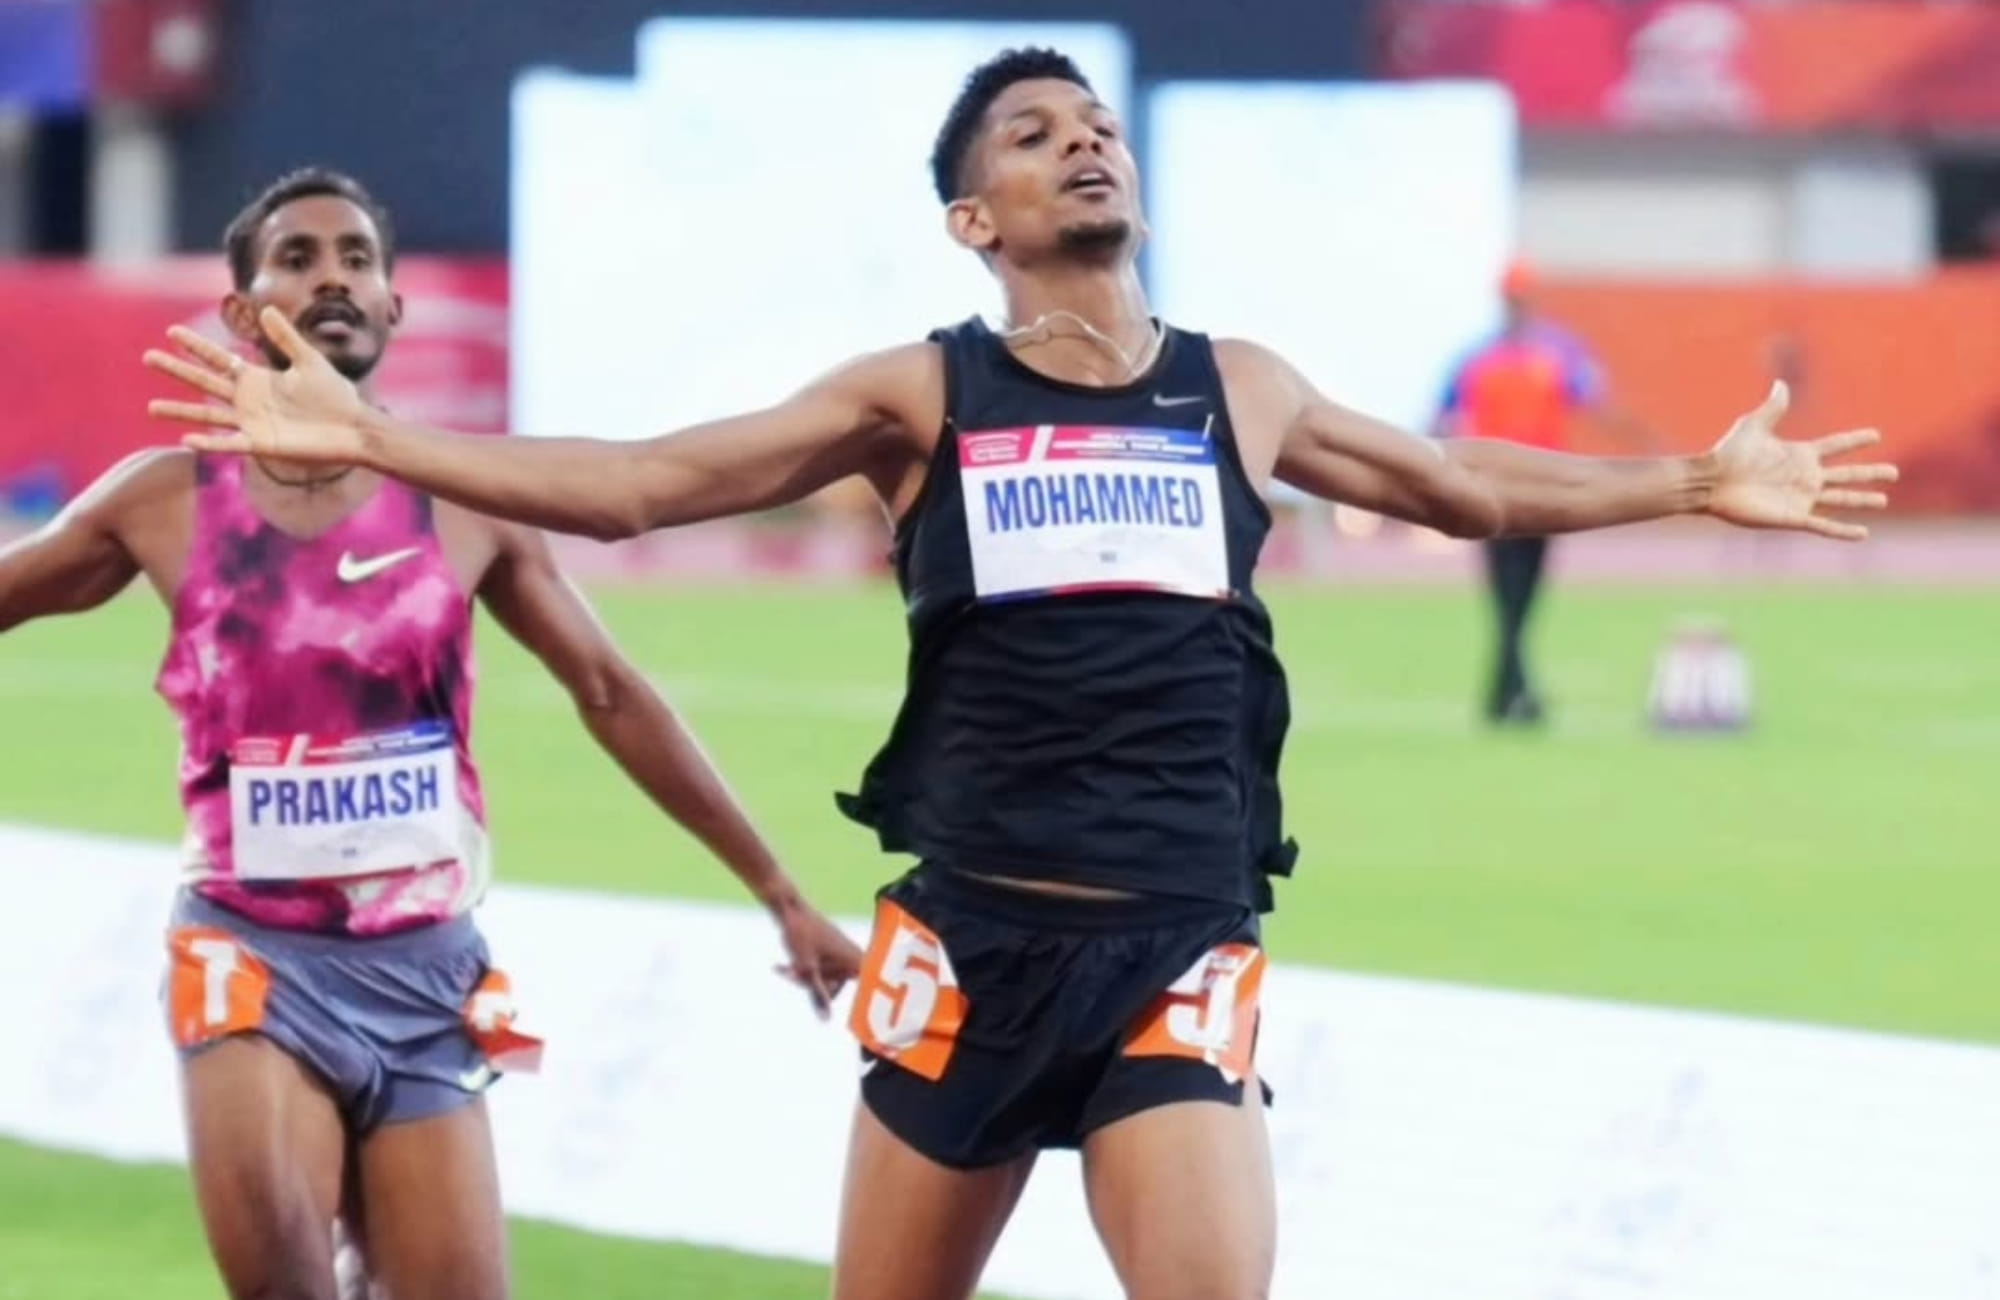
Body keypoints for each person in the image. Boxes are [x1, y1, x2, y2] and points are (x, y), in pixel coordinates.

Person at [141, 52, 1895, 1300]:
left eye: (1101, 129)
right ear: (977, 217)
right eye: (1040, 136)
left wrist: (1688, 479)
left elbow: (1460, 483)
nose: (1087, 149)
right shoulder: (920, 394)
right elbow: (641, 483)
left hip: (1176, 948)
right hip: (968, 953)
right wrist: (384, 433)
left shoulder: (1243, 385)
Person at [3, 166, 860, 1300]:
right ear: (242, 310)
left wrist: (780, 890)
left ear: (395, 306)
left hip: (428, 969)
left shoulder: (467, 498)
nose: (333, 278)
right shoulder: (163, 497)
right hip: (249, 952)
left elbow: (609, 689)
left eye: (357, 258)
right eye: (298, 259)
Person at [1433, 259, 1653, 726]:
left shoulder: (1557, 352)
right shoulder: (1477, 356)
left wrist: (1641, 446)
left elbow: (1596, 402)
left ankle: (1504, 693)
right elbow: (1441, 415)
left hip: (1543, 489)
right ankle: (1517, 694)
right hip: (1488, 490)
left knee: (1523, 593)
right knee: (1505, 592)